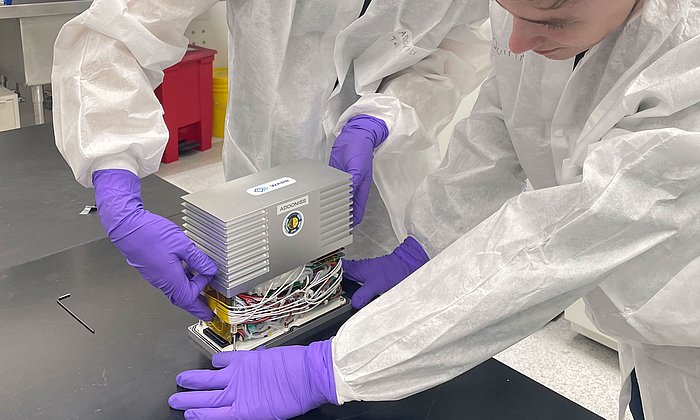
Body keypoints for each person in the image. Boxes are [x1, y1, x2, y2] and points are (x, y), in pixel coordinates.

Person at [166, 0, 700, 419]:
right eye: (508, 13)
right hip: (645, 336)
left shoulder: (688, 60)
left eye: (552, 22)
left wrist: (331, 368)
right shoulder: (548, 23)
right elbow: (502, 131)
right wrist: (424, 247)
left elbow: (562, 238)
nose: (516, 40)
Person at [51, 0, 491, 320]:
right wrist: (115, 185)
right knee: (262, 303)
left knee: (375, 321)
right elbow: (120, 28)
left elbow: (453, 48)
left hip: (389, 167)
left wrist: (379, 119)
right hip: (267, 157)